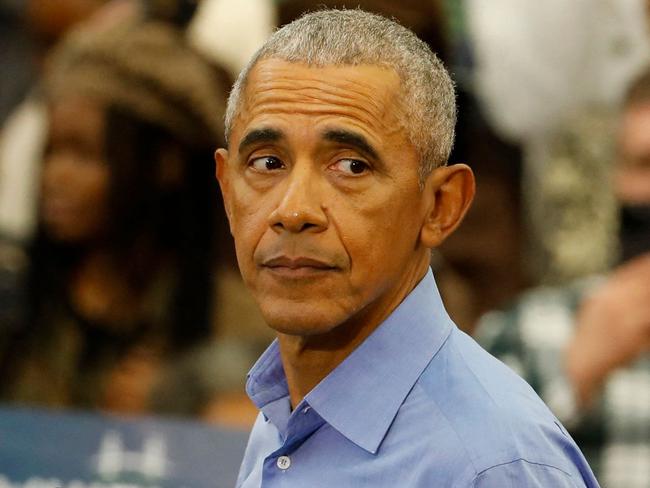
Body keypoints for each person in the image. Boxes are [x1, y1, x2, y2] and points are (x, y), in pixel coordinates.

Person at [215, 9, 599, 487]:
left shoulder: (494, 463)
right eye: (268, 162)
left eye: (351, 167)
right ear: (227, 191)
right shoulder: (285, 414)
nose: (294, 211)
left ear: (441, 206)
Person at [0, 12, 238, 416]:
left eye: (84, 154)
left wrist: (183, 403)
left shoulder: (233, 318)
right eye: (52, 152)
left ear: (167, 163)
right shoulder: (20, 298)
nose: (55, 177)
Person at [476, 66, 650, 488]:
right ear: (616, 177)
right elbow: (459, 472)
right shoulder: (525, 333)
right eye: (644, 164)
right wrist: (571, 381)